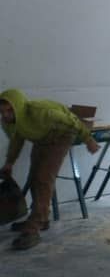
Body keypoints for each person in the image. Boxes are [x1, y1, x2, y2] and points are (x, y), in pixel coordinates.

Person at [0, 89, 98, 251]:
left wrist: (88, 139)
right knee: (33, 178)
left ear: (18, 106)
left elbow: (71, 119)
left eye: (10, 110)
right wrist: (10, 162)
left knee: (44, 178)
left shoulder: (39, 112)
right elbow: (17, 140)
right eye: (2, 112)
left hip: (63, 134)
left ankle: (33, 228)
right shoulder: (7, 122)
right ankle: (42, 219)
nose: (6, 115)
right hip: (42, 138)